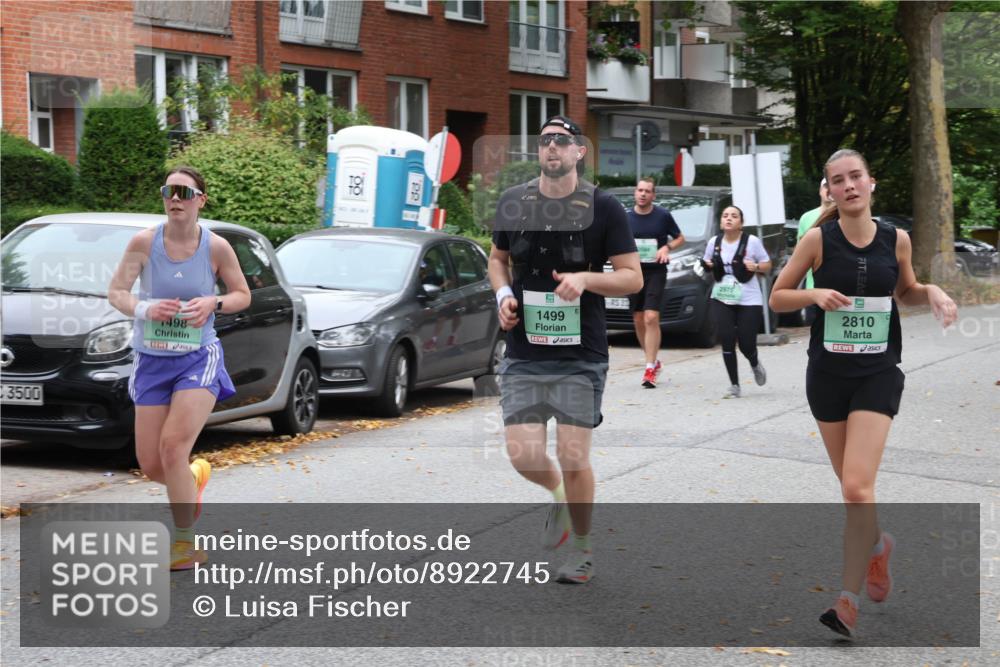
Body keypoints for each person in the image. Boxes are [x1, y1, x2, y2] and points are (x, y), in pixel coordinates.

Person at [769, 148, 958, 638]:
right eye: (839, 180)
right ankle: (877, 547)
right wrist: (813, 293)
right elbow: (778, 296)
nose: (848, 185)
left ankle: (846, 602)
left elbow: (906, 291)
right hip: (827, 376)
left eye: (856, 176)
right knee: (854, 491)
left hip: (877, 373)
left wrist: (932, 292)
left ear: (871, 183)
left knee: (856, 488)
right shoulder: (817, 239)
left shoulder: (897, 239)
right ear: (830, 191)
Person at [488, 115, 642, 584]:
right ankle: (558, 495)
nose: (552, 146)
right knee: (523, 454)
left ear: (579, 151)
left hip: (581, 353)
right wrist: (503, 296)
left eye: (562, 140)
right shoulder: (514, 202)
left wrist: (586, 279)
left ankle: (583, 549)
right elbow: (497, 260)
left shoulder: (604, 207)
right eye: (544, 141)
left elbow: (632, 278)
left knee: (574, 455)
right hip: (524, 349)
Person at [109, 166, 251, 571]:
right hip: (151, 360)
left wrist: (213, 303)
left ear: (200, 200)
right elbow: (116, 292)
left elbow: (242, 295)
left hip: (198, 358)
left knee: (172, 447)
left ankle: (186, 544)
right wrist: (144, 308)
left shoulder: (216, 248)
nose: (175, 198)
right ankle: (193, 477)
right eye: (169, 191)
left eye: (184, 192)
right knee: (153, 464)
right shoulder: (143, 242)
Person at [701, 205, 771, 398]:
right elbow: (707, 262)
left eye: (734, 216)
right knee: (726, 338)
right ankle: (734, 385)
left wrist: (755, 266)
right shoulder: (714, 242)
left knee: (746, 344)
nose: (729, 218)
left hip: (749, 298)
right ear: (721, 222)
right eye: (725, 216)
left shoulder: (752, 241)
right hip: (721, 295)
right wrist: (708, 265)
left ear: (741, 222)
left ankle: (754, 363)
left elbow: (767, 265)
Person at [627, 177, 685, 388]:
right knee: (638, 318)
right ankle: (652, 360)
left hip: (656, 272)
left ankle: (649, 368)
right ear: (635, 193)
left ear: (653, 195)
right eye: (640, 190)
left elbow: (680, 238)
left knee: (651, 317)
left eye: (647, 191)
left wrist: (666, 248)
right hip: (634, 273)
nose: (643, 194)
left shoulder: (662, 215)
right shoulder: (626, 218)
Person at [796, 178, 834, 290]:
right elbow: (799, 255)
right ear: (820, 191)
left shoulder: (846, 216)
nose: (829, 189)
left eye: (832, 185)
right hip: (813, 288)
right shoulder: (806, 218)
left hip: (839, 289)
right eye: (826, 186)